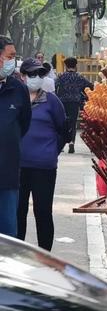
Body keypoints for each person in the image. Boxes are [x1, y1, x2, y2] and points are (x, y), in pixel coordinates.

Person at [17, 58, 66, 251]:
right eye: (31, 74)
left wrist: (53, 151)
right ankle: (17, 255)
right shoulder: (15, 99)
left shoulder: (52, 101)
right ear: (22, 76)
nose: (36, 78)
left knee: (43, 212)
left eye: (40, 74)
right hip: (17, 166)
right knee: (17, 212)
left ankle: (45, 256)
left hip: (44, 167)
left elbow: (64, 130)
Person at [0, 35, 32, 237]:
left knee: (8, 234)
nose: (13, 61)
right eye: (10, 56)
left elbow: (24, 123)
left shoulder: (18, 89)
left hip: (7, 174)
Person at [55, 57, 93, 154]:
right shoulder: (79, 77)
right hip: (75, 102)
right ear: (75, 66)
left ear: (66, 66)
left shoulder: (61, 76)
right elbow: (89, 86)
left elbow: (55, 86)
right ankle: (71, 142)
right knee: (72, 123)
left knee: (62, 122)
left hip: (62, 102)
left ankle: (62, 143)